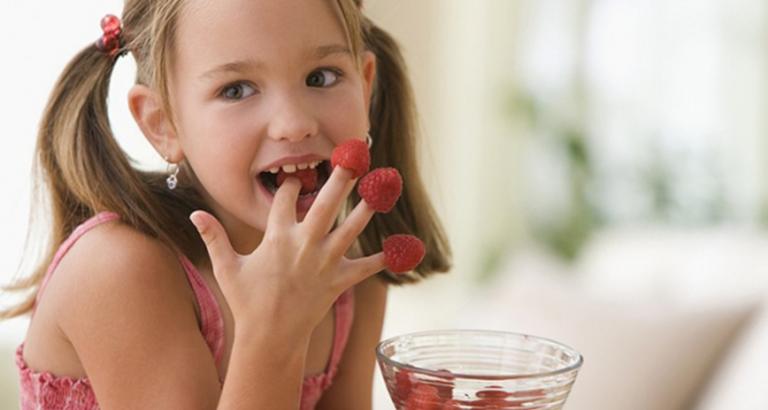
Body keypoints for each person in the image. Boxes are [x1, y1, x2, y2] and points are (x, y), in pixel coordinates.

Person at [0, 0, 451, 408]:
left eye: (322, 77)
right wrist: (275, 330)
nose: (293, 124)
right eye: (236, 89)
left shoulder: (350, 270)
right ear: (163, 125)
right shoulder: (117, 270)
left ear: (365, 88)